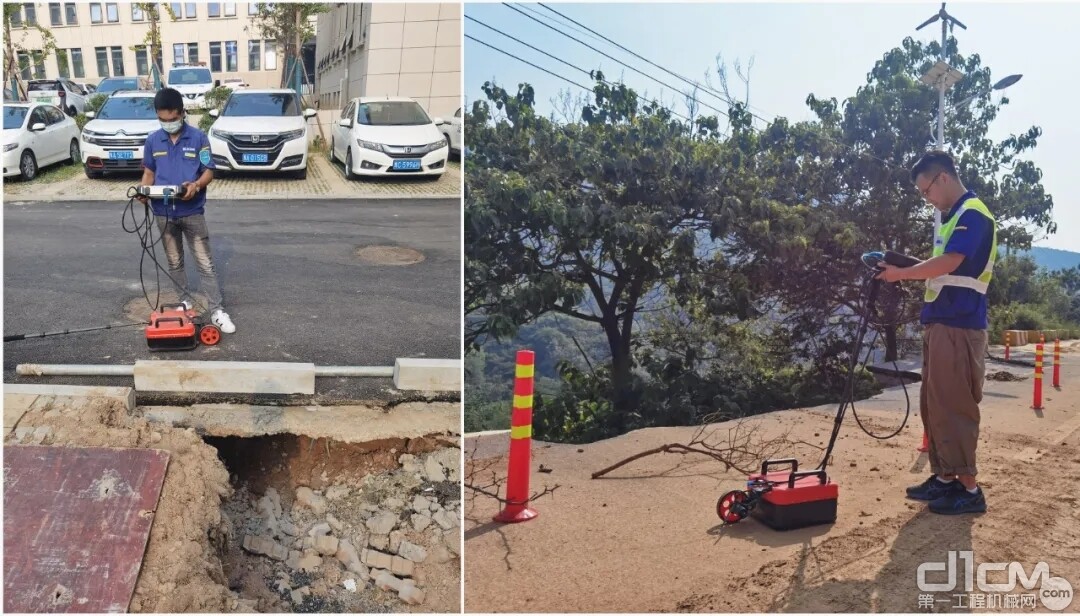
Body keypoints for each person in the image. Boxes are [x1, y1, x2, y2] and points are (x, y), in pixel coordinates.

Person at [876, 150, 996, 515]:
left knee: (955, 405)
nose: (926, 198)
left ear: (942, 177)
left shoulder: (972, 213)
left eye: (925, 190)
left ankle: (969, 489)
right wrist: (902, 265)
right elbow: (942, 270)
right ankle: (945, 478)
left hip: (959, 324)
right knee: (936, 405)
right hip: (943, 321)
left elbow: (949, 263)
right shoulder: (952, 217)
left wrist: (900, 275)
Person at [138, 87, 235, 334]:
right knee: (174, 261)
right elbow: (149, 173)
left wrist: (196, 185)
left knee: (205, 263)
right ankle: (184, 302)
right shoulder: (153, 141)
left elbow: (209, 171)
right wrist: (142, 191)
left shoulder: (199, 138)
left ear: (182, 113)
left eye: (172, 119)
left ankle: (217, 310)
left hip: (192, 211)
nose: (168, 124)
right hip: (163, 212)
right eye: (162, 120)